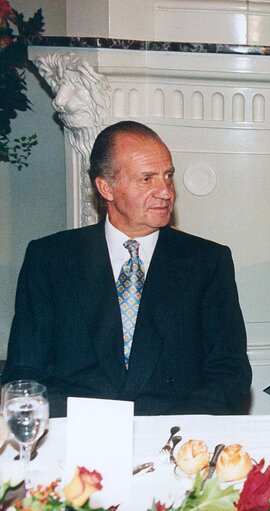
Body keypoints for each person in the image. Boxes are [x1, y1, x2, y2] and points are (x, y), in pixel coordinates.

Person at [3, 121, 252, 417]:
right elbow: (24, 372)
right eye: (147, 179)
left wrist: (175, 432)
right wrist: (88, 426)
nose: (166, 192)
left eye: (168, 176)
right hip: (76, 435)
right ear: (106, 187)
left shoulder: (207, 261)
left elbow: (230, 373)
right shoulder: (50, 259)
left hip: (175, 437)